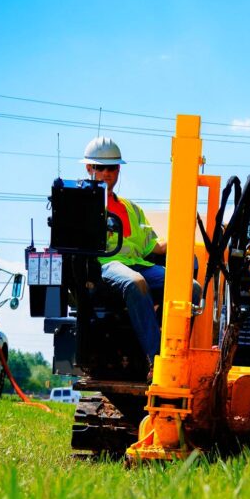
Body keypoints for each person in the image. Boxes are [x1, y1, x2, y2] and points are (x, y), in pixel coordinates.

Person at [82, 136, 166, 370]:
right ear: (89, 168)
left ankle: (170, 348)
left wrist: (185, 230)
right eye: (100, 167)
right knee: (135, 283)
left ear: (119, 169)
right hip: (106, 266)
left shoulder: (133, 209)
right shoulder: (81, 203)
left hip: (136, 263)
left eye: (112, 167)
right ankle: (157, 359)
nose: (107, 173)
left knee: (189, 287)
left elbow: (155, 246)